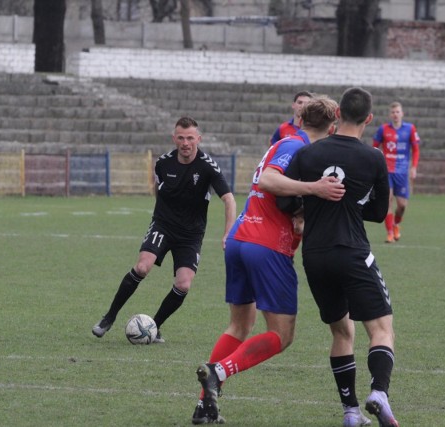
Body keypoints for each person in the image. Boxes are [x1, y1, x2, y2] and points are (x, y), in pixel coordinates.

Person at [194, 97, 356, 424]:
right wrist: (315, 188)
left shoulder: (286, 140)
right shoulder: (297, 147)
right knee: (281, 335)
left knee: (240, 326)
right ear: (332, 127)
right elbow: (269, 180)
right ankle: (218, 371)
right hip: (266, 245)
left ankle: (203, 407)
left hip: (242, 237)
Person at [276, 87, 398, 427]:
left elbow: (285, 201)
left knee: (342, 333)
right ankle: (379, 392)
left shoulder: (308, 154)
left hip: (315, 255)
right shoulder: (373, 158)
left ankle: (350, 412)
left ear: (338, 114)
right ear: (369, 119)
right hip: (352, 251)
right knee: (381, 329)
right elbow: (376, 212)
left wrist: (307, 207)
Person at [92, 117, 237, 342]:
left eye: (190, 138)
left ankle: (153, 327)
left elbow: (229, 200)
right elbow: (160, 191)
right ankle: (109, 317)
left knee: (184, 284)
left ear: (199, 138)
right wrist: (161, 217)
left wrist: (228, 232)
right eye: (181, 138)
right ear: (174, 138)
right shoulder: (163, 163)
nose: (185, 142)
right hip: (163, 225)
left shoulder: (208, 167)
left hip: (191, 234)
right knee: (142, 267)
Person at [372, 101, 421, 243]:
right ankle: (389, 234)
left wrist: (414, 167)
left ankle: (396, 224)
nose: (395, 114)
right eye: (393, 112)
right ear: (390, 114)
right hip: (387, 171)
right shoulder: (383, 129)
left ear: (402, 113)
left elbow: (416, 150)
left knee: (402, 205)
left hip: (402, 171)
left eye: (397, 112)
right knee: (388, 200)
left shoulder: (410, 129)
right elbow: (374, 147)